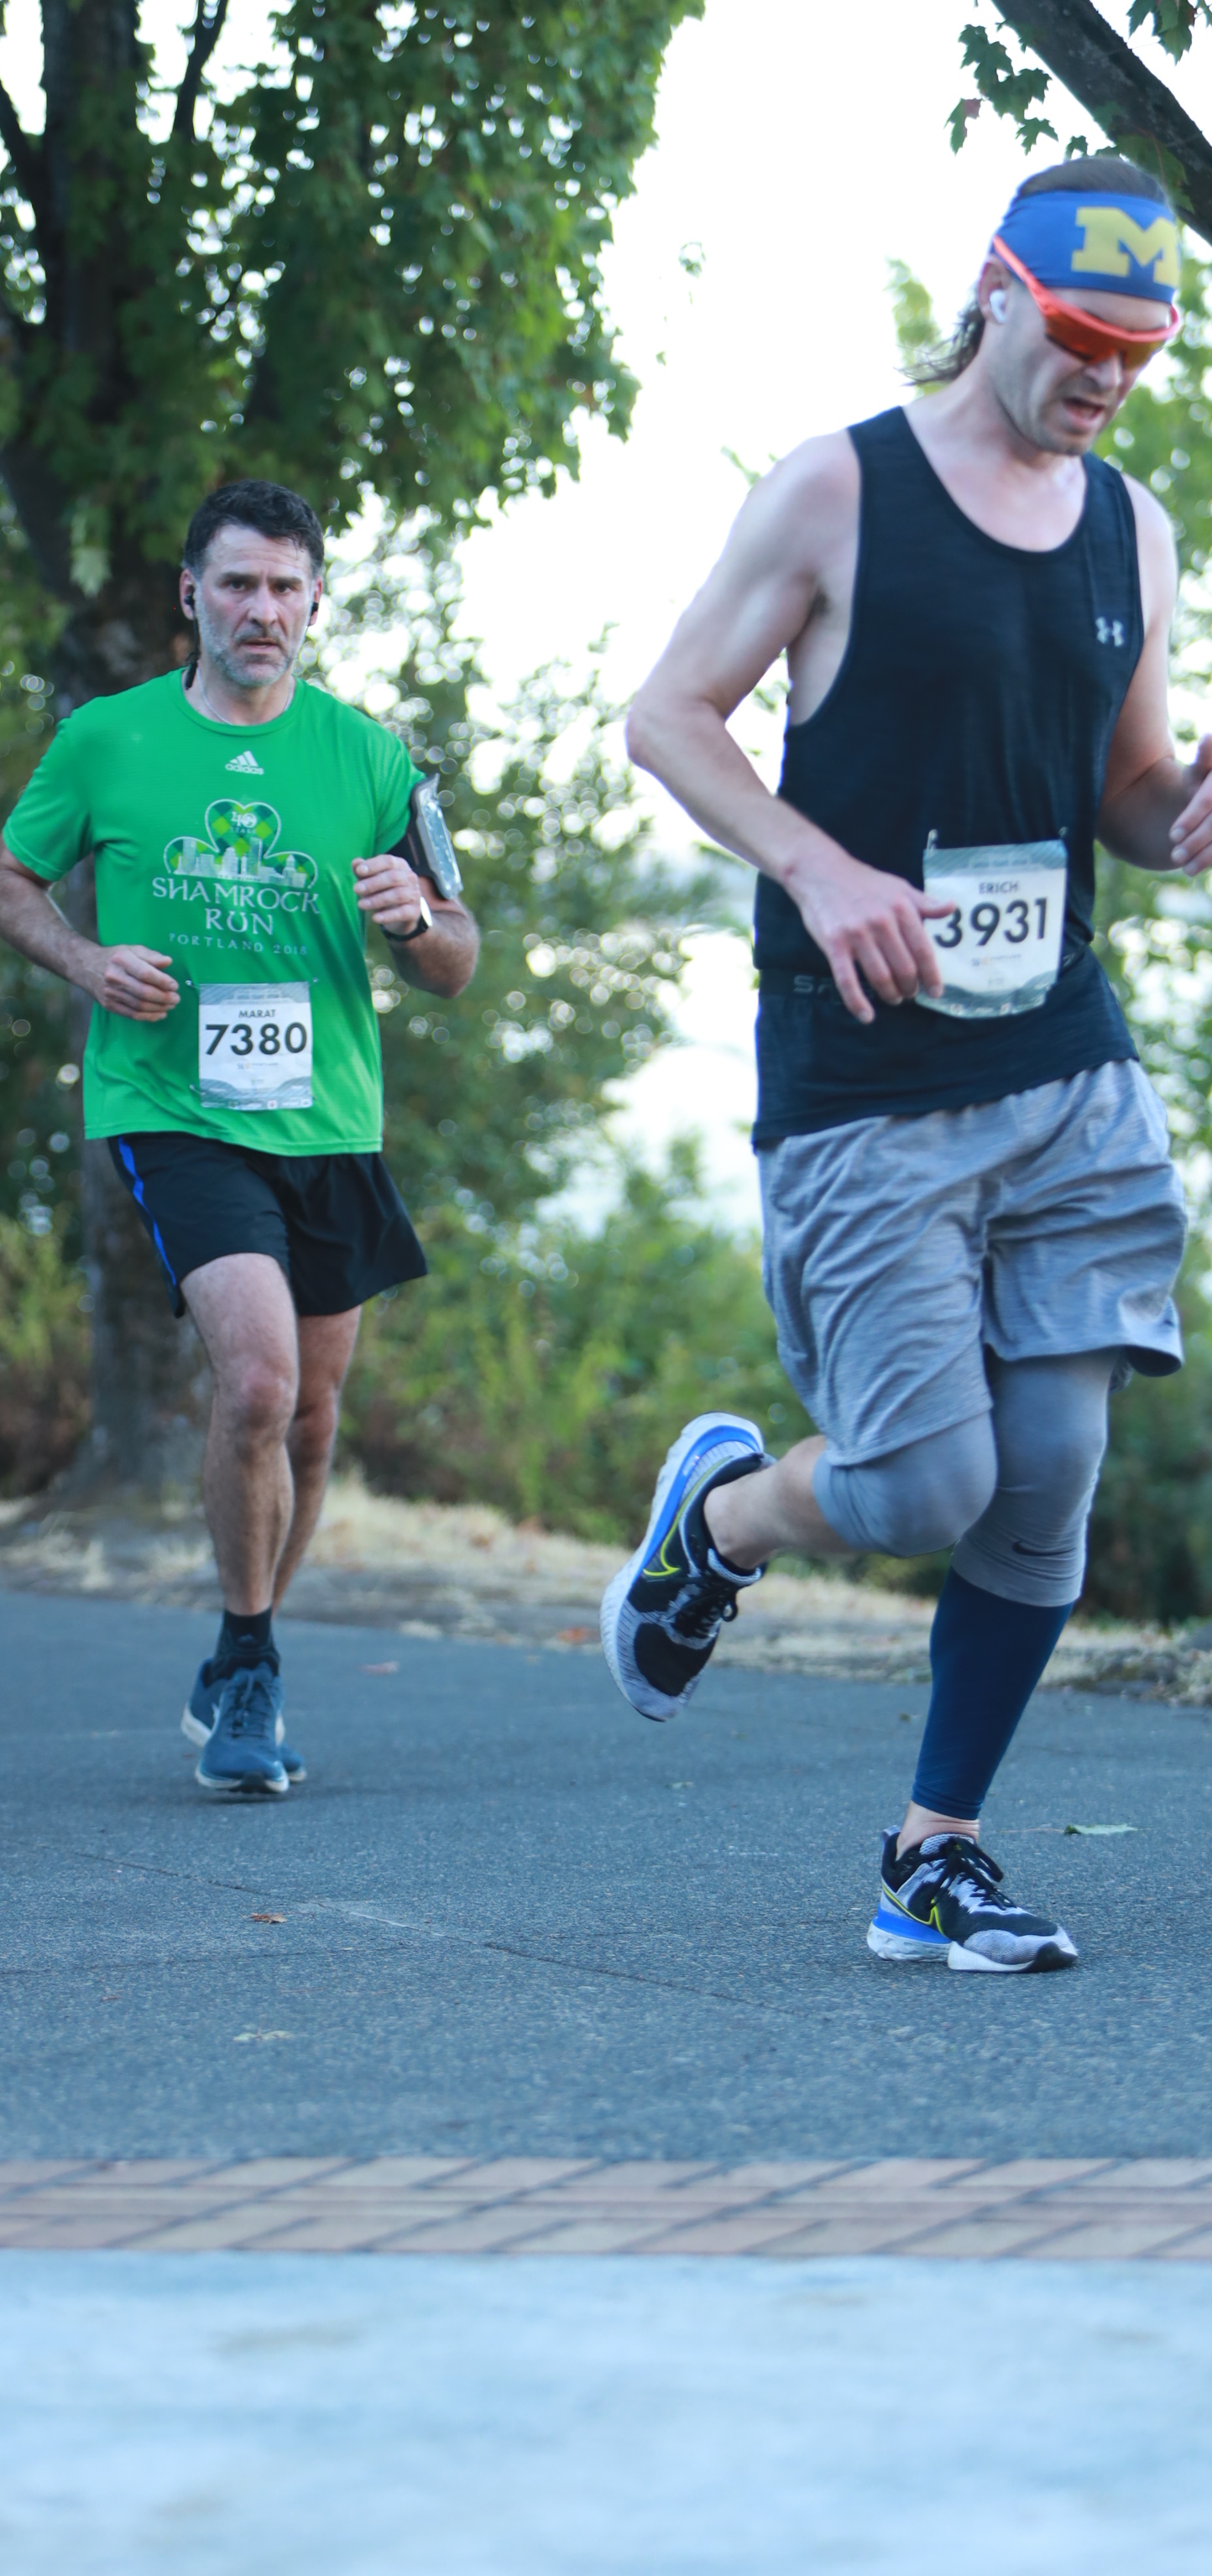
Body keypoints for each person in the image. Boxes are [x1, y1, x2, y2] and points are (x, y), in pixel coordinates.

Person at [605, 154, 1203, 1973]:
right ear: (996, 292)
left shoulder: (1133, 530)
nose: (1106, 377)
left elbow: (1123, 791)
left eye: (1141, 350)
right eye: (1081, 336)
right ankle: (719, 1522)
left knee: (1051, 1468)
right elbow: (667, 718)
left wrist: (1184, 814)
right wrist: (816, 864)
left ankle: (933, 1851)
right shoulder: (839, 488)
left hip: (1065, 1064)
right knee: (925, 1485)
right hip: (866, 1078)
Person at [0, 479, 478, 1796]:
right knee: (255, 1383)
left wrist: (418, 921)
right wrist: (85, 961)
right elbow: (5, 880)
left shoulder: (371, 759)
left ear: (317, 602)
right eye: (239, 584)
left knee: (311, 1420)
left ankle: (238, 1651)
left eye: (286, 587)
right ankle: (253, 1663)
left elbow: (458, 961)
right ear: (191, 595)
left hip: (331, 1119)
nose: (263, 610)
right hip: (175, 1106)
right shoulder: (107, 739)